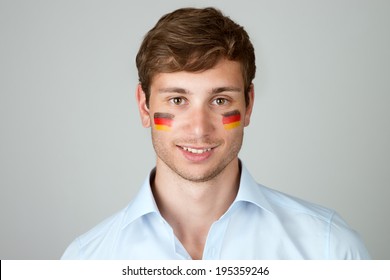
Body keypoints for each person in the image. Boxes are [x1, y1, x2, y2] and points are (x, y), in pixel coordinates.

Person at [61, 7, 370, 260]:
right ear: (144, 107)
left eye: (220, 100)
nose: (199, 128)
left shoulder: (330, 250)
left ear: (248, 106)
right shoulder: (85, 261)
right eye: (178, 100)